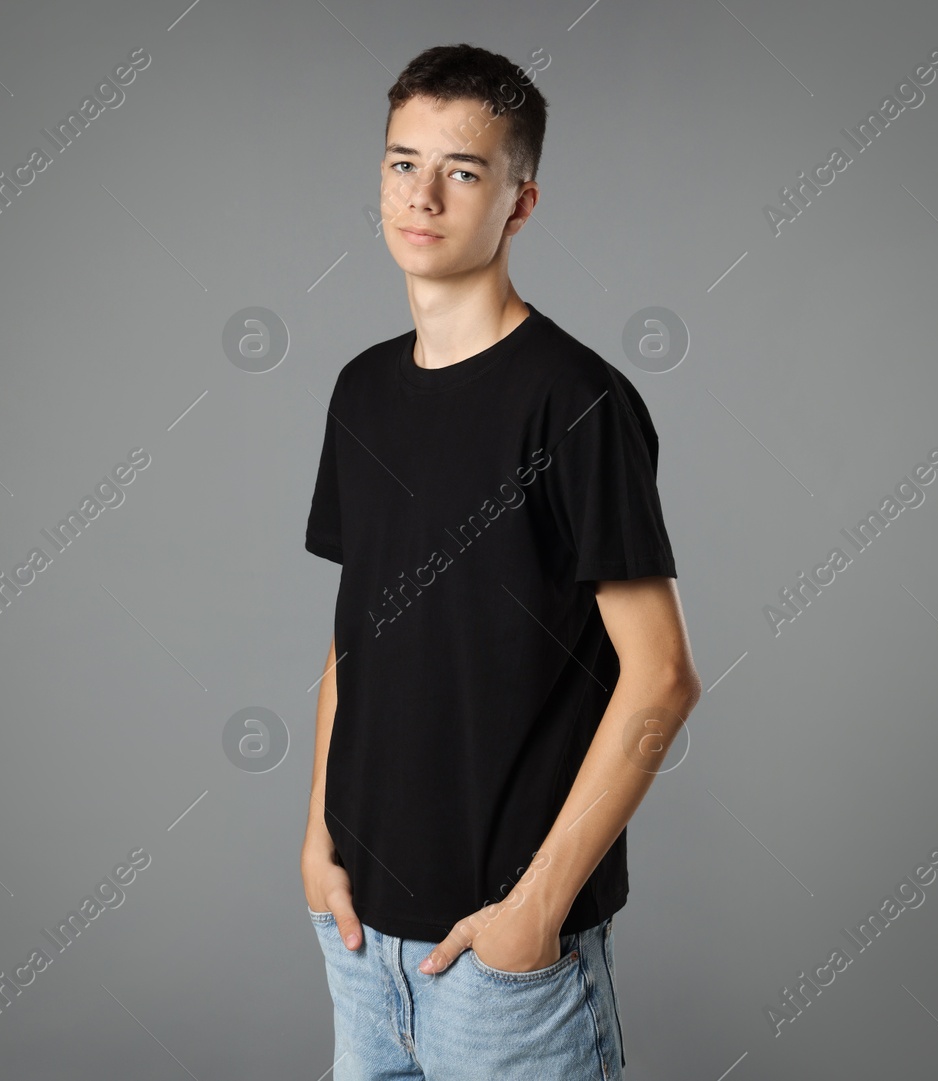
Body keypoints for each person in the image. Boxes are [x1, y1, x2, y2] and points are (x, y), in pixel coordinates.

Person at [301, 42, 703, 1080]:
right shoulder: (361, 392)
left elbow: (660, 677)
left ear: (518, 203)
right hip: (356, 942)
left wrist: (536, 908)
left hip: (502, 958)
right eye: (401, 164)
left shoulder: (576, 403)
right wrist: (318, 844)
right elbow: (358, 639)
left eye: (462, 171)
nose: (421, 195)